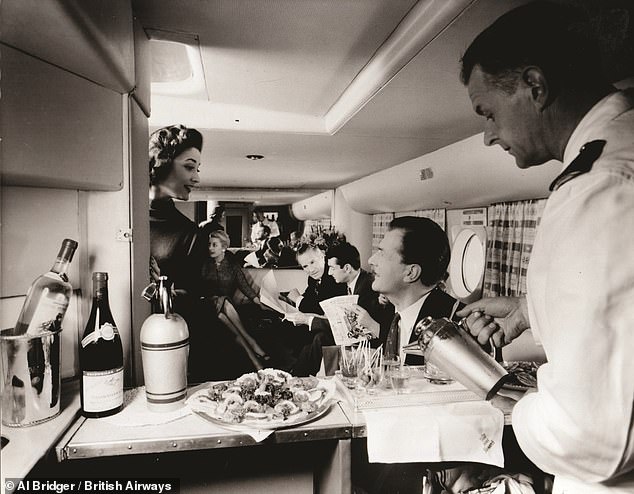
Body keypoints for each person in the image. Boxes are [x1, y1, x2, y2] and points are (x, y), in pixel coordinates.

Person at [455, 3, 634, 493]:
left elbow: (594, 437)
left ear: (535, 85)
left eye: (488, 113)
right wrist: (530, 308)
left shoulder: (600, 186)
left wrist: (512, 401)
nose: (489, 136)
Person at [148, 124, 255, 381]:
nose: (196, 178)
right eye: (189, 166)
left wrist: (160, 288)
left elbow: (192, 302)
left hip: (165, 340)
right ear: (163, 162)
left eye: (197, 169)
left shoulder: (188, 233)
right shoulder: (121, 213)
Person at [200, 230, 270, 369]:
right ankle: (253, 345)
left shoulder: (232, 263)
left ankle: (253, 358)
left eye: (214, 245)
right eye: (209, 245)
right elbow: (199, 286)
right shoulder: (205, 263)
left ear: (224, 247)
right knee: (223, 303)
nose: (210, 248)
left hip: (223, 308)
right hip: (206, 303)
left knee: (224, 313)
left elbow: (243, 284)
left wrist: (257, 300)